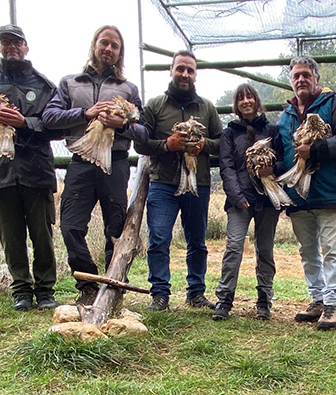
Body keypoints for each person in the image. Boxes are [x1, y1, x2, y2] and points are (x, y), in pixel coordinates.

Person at [42, 25, 147, 306]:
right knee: (71, 226)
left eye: (115, 46)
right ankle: (88, 284)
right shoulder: (69, 83)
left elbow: (144, 133)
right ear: (94, 45)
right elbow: (49, 117)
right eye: (105, 43)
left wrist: (122, 126)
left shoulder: (129, 89)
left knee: (116, 228)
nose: (109, 49)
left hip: (115, 163)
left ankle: (113, 287)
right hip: (82, 162)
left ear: (120, 53)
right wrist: (85, 113)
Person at [0, 25, 60, 311]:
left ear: (26, 47)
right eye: (6, 42)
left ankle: (45, 290)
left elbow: (55, 125)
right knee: (11, 234)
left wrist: (25, 123)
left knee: (42, 234)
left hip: (36, 170)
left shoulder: (43, 85)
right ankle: (21, 291)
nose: (12, 47)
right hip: (0, 170)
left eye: (17, 42)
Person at [275, 56, 336, 330]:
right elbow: (281, 152)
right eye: (296, 75)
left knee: (332, 251)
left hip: (328, 191)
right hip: (297, 196)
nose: (301, 79)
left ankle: (333, 304)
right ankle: (318, 299)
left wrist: (317, 150)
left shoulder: (334, 104)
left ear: (316, 79)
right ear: (291, 80)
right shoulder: (286, 115)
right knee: (307, 251)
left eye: (306, 75)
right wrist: (270, 168)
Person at [135, 50, 222, 311]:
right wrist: (167, 145)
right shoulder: (154, 105)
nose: (185, 74)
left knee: (197, 240)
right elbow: (141, 144)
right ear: (171, 71)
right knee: (159, 238)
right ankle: (160, 294)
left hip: (198, 183)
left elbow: (222, 142)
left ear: (195, 75)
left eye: (190, 70)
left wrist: (204, 144)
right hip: (163, 182)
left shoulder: (206, 107)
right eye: (180, 68)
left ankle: (196, 292)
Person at [212, 84, 282, 321]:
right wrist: (237, 197)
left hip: (267, 199)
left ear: (256, 100)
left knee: (265, 250)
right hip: (239, 201)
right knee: (233, 247)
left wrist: (272, 171)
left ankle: (264, 300)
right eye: (240, 98)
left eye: (249, 96)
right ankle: (224, 299)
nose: (246, 101)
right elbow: (227, 167)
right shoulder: (229, 133)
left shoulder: (272, 130)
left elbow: (281, 161)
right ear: (236, 104)